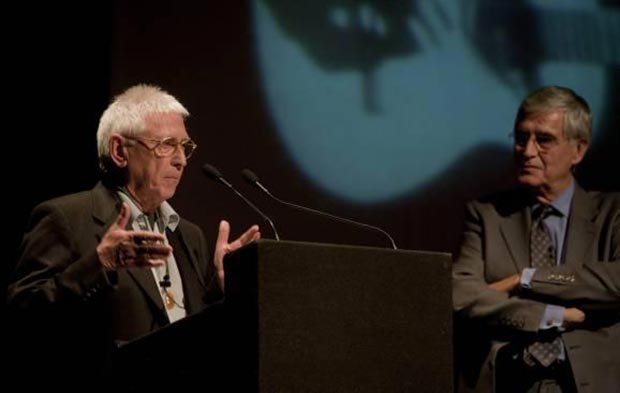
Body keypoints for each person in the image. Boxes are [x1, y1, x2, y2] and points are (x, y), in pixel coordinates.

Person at [6, 84, 260, 389]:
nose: (181, 160)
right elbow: (22, 317)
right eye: (167, 144)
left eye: (185, 147)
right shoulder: (66, 217)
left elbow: (192, 330)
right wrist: (100, 263)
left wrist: (223, 291)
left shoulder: (188, 235)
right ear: (119, 151)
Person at [453, 86, 619, 393]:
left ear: (578, 150)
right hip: (508, 380)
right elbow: (463, 294)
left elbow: (615, 282)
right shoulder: (487, 215)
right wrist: (550, 315)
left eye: (543, 140)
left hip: (589, 382)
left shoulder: (612, 212)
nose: (527, 151)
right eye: (520, 137)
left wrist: (526, 279)